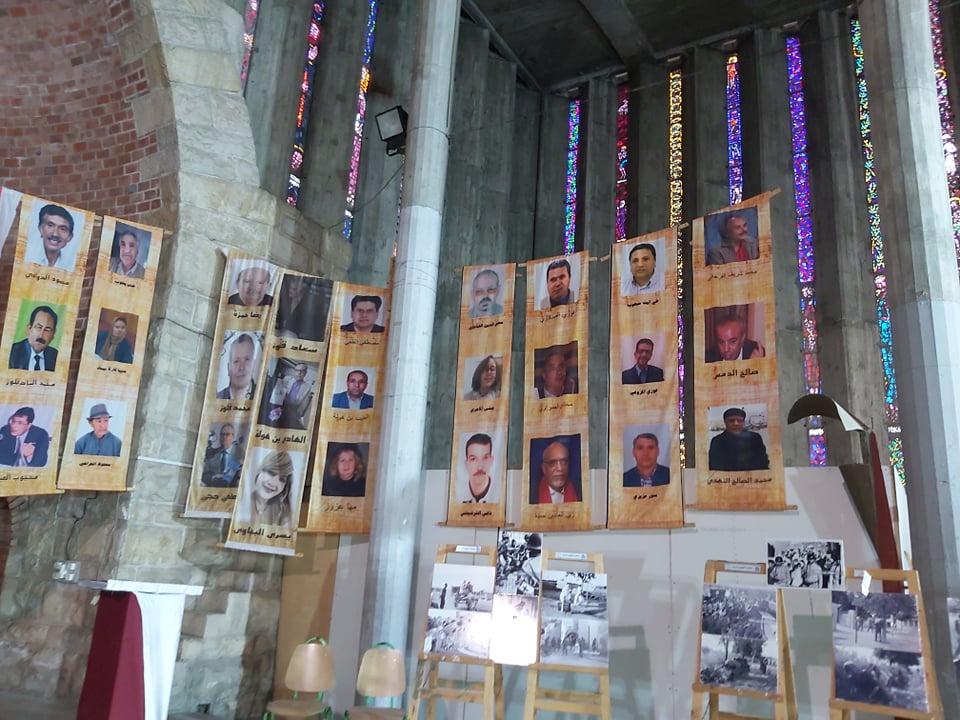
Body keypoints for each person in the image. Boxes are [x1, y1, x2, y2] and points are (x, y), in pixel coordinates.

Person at [245, 450, 295, 527]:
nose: (273, 483)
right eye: (271, 472)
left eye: (282, 479)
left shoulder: (284, 514)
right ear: (260, 470)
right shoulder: (242, 500)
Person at [275, 275, 330, 342]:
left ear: (302, 287)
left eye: (294, 289)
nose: (290, 290)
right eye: (290, 288)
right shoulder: (284, 301)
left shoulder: (309, 307)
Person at [25, 204, 75, 270]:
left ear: (70, 237)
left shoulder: (72, 266)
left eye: (62, 229)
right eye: (50, 225)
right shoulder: (26, 256)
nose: (55, 234)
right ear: (41, 229)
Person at [9, 305, 58, 372]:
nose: (41, 335)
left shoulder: (56, 357)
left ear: (53, 334)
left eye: (47, 330)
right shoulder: (11, 353)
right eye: (38, 327)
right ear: (29, 329)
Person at [267, 363, 312, 429]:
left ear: (305, 373)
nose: (299, 373)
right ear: (294, 371)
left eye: (302, 371)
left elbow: (304, 404)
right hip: (279, 408)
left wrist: (297, 415)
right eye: (297, 370)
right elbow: (277, 393)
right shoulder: (286, 379)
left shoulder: (307, 387)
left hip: (292, 412)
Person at [216, 333, 258, 400]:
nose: (241, 367)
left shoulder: (264, 397)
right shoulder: (217, 398)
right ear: (228, 368)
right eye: (236, 361)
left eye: (247, 359)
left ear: (254, 364)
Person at [462, 433, 496, 503]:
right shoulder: (457, 496)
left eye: (485, 458)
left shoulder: (498, 496)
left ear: (491, 461)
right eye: (473, 459)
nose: (480, 467)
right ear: (466, 464)